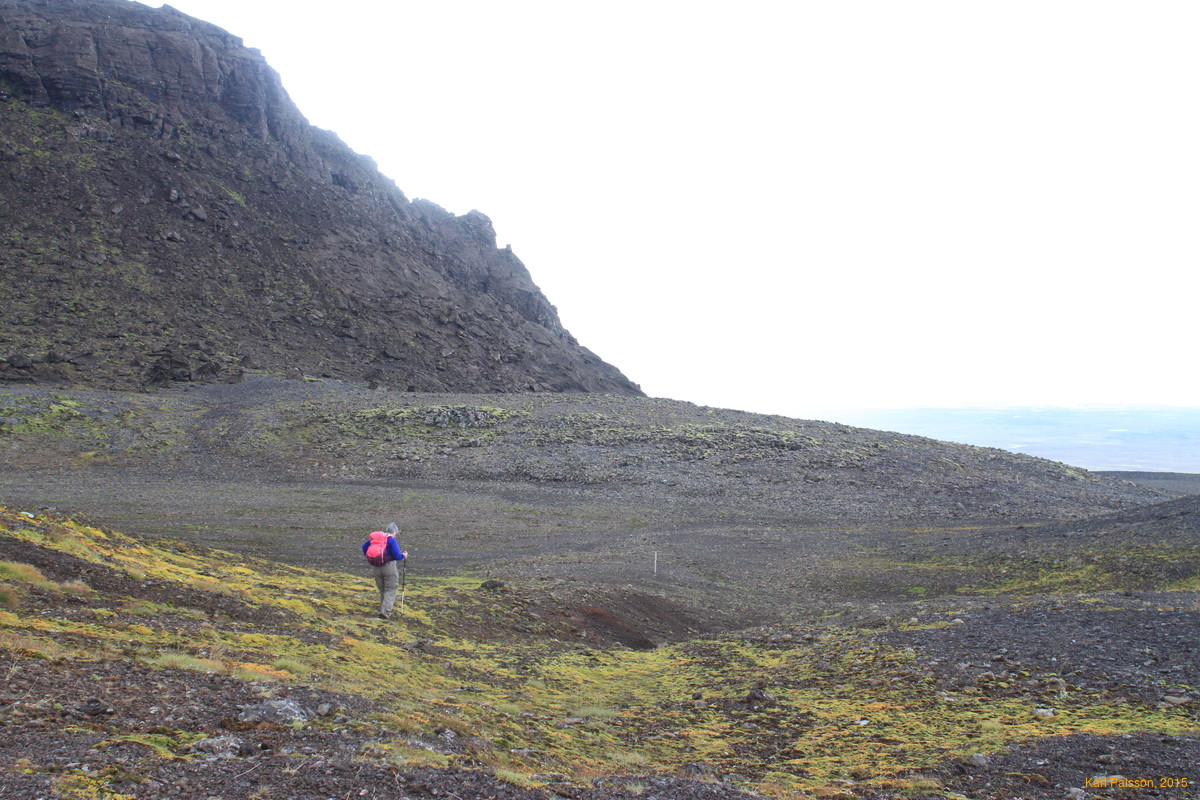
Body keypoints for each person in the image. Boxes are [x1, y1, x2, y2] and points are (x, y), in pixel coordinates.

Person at [362, 522, 407, 619]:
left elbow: (364, 547)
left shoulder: (375, 540)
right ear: (394, 531)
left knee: (382, 589)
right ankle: (385, 611)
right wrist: (403, 555)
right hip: (388, 567)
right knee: (391, 588)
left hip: (376, 567)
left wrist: (372, 557)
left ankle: (382, 608)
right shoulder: (391, 540)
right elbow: (396, 555)